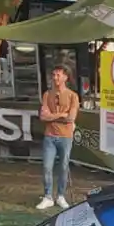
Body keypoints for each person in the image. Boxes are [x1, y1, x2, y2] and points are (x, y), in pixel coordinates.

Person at [37, 65, 79, 210]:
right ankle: (48, 196)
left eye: (58, 75)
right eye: (54, 75)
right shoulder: (47, 95)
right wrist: (61, 114)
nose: (55, 78)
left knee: (63, 167)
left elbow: (71, 117)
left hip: (66, 136)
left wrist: (52, 116)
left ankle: (60, 196)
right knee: (46, 167)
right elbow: (43, 116)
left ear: (65, 77)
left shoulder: (73, 96)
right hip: (49, 136)